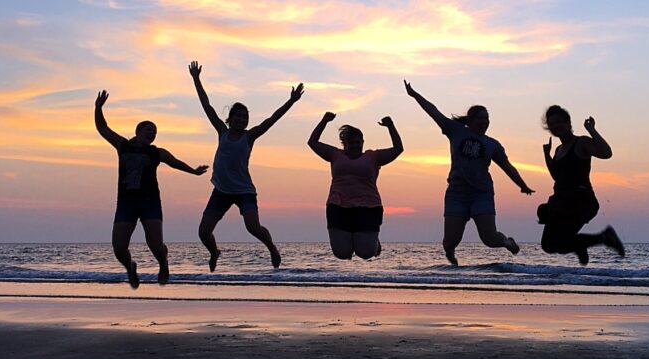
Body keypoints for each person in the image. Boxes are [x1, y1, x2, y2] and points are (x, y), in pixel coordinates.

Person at [404, 80, 534, 266]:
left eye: (487, 118)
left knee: (489, 239)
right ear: (471, 121)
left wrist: (522, 185)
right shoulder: (455, 130)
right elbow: (433, 112)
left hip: (481, 193)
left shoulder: (492, 144)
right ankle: (451, 253)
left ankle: (507, 241)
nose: (484, 122)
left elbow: (507, 166)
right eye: (480, 118)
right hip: (456, 193)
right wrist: (415, 95)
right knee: (450, 241)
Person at [189, 61, 303, 271]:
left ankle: (272, 248)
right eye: (238, 116)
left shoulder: (249, 137)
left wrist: (291, 101)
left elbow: (272, 119)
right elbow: (207, 107)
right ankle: (214, 252)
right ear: (230, 119)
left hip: (244, 190)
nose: (242, 120)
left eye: (245, 117)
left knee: (253, 227)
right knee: (203, 232)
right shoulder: (222, 132)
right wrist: (196, 79)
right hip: (221, 190)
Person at [94, 90, 209, 289]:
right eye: (148, 129)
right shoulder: (123, 145)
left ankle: (163, 263)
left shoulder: (157, 152)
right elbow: (103, 128)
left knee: (155, 245)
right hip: (126, 204)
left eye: (154, 131)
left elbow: (175, 163)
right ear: (138, 131)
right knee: (119, 247)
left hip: (150, 203)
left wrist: (194, 171)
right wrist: (98, 108)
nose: (152, 133)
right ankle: (130, 267)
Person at [307, 112, 404, 259]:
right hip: (338, 206)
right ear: (344, 144)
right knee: (342, 254)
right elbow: (312, 142)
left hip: (368, 207)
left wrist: (390, 126)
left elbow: (398, 149)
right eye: (351, 142)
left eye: (358, 142)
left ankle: (373, 244)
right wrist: (324, 121)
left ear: (362, 142)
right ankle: (357, 240)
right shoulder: (335, 155)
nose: (355, 145)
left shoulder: (373, 157)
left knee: (365, 253)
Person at [538, 105, 625, 265]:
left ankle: (604, 237)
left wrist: (591, 129)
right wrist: (547, 155)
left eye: (559, 122)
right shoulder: (558, 150)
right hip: (560, 202)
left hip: (580, 201)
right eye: (552, 124)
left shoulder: (581, 142)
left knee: (561, 243)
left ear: (567, 122)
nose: (556, 126)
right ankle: (585, 244)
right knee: (548, 245)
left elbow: (606, 153)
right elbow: (557, 176)